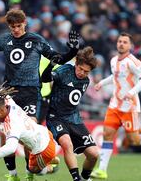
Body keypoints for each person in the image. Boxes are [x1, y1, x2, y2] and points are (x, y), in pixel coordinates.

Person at [0, 8, 79, 180]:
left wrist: (72, 52)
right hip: (9, 91)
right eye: (12, 26)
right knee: (4, 133)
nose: (16, 29)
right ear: (8, 26)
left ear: (25, 24)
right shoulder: (7, 40)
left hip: (30, 92)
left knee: (30, 130)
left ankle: (31, 171)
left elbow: (55, 58)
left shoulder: (35, 40)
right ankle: (13, 174)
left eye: (19, 26)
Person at [91, 32, 141, 179]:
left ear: (130, 46)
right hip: (115, 105)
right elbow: (115, 76)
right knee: (107, 134)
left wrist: (132, 91)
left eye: (125, 42)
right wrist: (101, 83)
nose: (121, 44)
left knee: (134, 139)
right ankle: (102, 170)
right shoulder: (113, 60)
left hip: (130, 106)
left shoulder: (133, 62)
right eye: (119, 41)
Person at [41, 46, 99, 181]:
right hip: (56, 118)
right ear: (76, 64)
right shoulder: (65, 70)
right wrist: (52, 65)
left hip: (74, 119)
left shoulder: (86, 81)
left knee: (94, 154)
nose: (82, 73)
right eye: (80, 69)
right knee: (67, 143)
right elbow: (45, 78)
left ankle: (85, 178)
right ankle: (76, 179)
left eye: (86, 71)